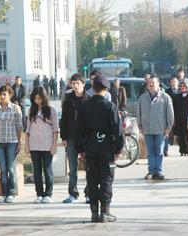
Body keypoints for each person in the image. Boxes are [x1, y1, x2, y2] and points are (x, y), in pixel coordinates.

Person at [75, 74, 124, 223]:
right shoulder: (110, 106)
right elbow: (118, 130)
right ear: (105, 89)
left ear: (93, 88)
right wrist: (118, 149)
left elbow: (78, 130)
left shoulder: (84, 106)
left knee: (92, 179)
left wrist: (80, 149)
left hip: (90, 146)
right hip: (106, 147)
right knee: (106, 179)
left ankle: (94, 212)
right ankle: (105, 211)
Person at [60, 73, 91, 204]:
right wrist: (64, 136)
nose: (75, 86)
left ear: (83, 84)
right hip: (71, 137)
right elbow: (64, 119)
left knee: (89, 167)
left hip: (86, 138)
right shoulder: (68, 99)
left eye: (78, 83)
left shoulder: (89, 99)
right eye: (73, 84)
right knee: (72, 168)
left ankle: (89, 193)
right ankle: (73, 193)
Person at [0, 85, 23, 204]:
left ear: (10, 95)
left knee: (11, 168)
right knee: (3, 169)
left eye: (5, 94)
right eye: (1, 94)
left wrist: (19, 141)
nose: (2, 97)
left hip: (12, 141)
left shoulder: (15, 108)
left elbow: (19, 126)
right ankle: (4, 193)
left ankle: (12, 193)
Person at [25, 87, 59, 204]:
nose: (37, 101)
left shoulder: (51, 110)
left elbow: (55, 129)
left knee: (47, 170)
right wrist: (27, 145)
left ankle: (48, 194)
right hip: (34, 145)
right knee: (37, 171)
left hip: (47, 144)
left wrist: (54, 145)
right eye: (35, 98)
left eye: (39, 98)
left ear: (44, 98)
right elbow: (28, 130)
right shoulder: (31, 111)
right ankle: (39, 194)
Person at [137, 76, 174, 180]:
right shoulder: (143, 97)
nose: (151, 84)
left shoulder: (165, 97)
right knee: (150, 152)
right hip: (147, 129)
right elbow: (139, 113)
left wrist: (168, 127)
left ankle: (159, 171)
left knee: (159, 152)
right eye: (149, 83)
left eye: (153, 82)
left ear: (158, 84)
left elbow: (170, 114)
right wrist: (140, 126)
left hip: (160, 129)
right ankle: (151, 172)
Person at [174, 80, 188, 156]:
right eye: (181, 86)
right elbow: (175, 108)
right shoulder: (177, 96)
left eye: (184, 86)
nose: (182, 88)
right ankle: (182, 150)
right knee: (181, 135)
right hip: (179, 118)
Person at [164, 77, 180, 156]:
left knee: (177, 126)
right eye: (172, 81)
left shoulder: (180, 90)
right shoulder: (167, 91)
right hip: (170, 110)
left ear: (177, 83)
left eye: (175, 81)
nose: (173, 83)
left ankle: (176, 140)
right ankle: (170, 141)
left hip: (178, 111)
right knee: (170, 126)